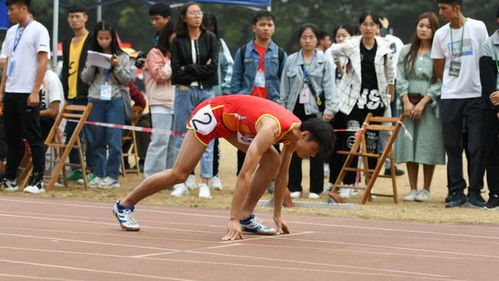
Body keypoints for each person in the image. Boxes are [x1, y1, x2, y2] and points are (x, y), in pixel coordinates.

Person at [113, 94, 335, 240]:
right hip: (212, 114)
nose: (312, 155)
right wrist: (232, 219)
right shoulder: (271, 128)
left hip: (234, 125)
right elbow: (245, 173)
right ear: (304, 136)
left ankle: (248, 216)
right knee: (179, 173)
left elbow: (283, 175)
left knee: (274, 161)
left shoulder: (294, 134)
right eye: (314, 150)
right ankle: (124, 205)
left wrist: (277, 215)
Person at [328, 12, 395, 199]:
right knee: (352, 140)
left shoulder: (384, 46)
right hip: (354, 99)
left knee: (372, 144)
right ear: (359, 26)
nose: (368, 28)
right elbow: (333, 51)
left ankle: (369, 184)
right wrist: (343, 69)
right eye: (365, 24)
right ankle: (348, 182)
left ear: (378, 28)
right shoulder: (352, 44)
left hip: (376, 99)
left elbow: (390, 72)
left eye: (372, 24)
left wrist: (390, 93)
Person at [431, 0, 488, 208]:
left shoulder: (478, 27)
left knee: (476, 145)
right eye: (439, 8)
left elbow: (485, 59)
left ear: (457, 8)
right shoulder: (440, 34)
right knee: (452, 146)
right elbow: (438, 68)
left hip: (475, 94)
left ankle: (475, 191)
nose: (440, 12)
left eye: (444, 8)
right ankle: (456, 191)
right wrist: (452, 84)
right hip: (450, 96)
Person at [279, 23, 337, 199]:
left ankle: (315, 188)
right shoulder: (290, 60)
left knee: (315, 147)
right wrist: (282, 110)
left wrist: (330, 109)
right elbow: (284, 88)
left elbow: (330, 87)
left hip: (316, 110)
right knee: (293, 146)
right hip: (294, 110)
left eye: (311, 37)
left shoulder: (324, 60)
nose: (307, 40)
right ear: (299, 40)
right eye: (304, 37)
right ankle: (294, 185)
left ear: (317, 40)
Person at [170, 2, 219, 199]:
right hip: (183, 92)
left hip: (206, 92)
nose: (197, 16)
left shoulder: (210, 38)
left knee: (207, 134)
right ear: (184, 17)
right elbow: (175, 72)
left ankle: (205, 182)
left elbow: (212, 69)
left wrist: (187, 68)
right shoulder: (177, 40)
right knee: (181, 135)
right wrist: (198, 68)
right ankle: (181, 180)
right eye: (192, 13)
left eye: (199, 12)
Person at [0, 0, 50, 194]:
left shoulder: (39, 30)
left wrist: (35, 90)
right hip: (11, 91)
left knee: (33, 136)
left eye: (12, 9)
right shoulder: (12, 32)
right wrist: (2, 91)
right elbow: (6, 64)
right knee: (11, 137)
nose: (9, 13)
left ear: (23, 8)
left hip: (28, 91)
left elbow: (43, 61)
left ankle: (38, 180)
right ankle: (10, 178)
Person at [394, 12, 444, 202]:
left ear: (434, 30)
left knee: (427, 144)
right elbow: (400, 76)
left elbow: (440, 80)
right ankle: (413, 187)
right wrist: (406, 100)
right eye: (420, 25)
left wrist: (424, 102)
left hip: (430, 105)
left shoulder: (438, 53)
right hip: (407, 102)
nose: (423, 29)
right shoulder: (406, 51)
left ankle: (426, 188)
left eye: (428, 26)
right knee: (409, 144)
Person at [230, 10, 287, 176]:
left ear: (274, 28)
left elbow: (283, 81)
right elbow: (236, 79)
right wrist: (237, 101)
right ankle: (243, 178)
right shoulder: (242, 52)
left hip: (271, 105)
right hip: (248, 104)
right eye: (262, 24)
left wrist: (281, 104)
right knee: (244, 142)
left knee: (272, 142)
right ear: (254, 27)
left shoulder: (280, 53)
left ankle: (270, 179)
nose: (266, 28)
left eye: (270, 25)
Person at [81, 21, 132, 189]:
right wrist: (93, 65)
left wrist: (116, 66)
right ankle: (100, 174)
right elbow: (85, 79)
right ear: (96, 38)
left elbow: (126, 80)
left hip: (115, 99)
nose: (104, 41)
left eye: (107, 38)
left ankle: (112, 176)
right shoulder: (91, 55)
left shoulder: (122, 56)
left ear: (113, 38)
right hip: (95, 99)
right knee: (97, 140)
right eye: (101, 38)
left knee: (114, 140)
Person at [61, 3, 94, 184]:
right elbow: (66, 68)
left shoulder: (91, 39)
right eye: (71, 17)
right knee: (70, 134)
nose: (74, 20)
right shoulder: (67, 42)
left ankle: (91, 169)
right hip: (71, 94)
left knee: (89, 135)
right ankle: (76, 169)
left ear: (85, 18)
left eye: (78, 16)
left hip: (86, 94)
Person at [202, 12, 234, 191]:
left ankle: (213, 174)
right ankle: (189, 175)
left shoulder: (220, 45)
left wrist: (225, 92)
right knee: (192, 136)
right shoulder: (193, 43)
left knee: (214, 137)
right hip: (196, 96)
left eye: (210, 26)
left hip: (215, 97)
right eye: (204, 27)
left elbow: (228, 66)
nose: (207, 30)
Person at [143, 21, 176, 178]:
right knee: (159, 141)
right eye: (176, 34)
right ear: (168, 35)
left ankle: (169, 178)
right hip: (160, 103)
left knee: (174, 143)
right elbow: (160, 75)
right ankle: (151, 177)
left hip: (177, 103)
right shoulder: (155, 53)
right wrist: (173, 60)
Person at [478, 6, 499, 209]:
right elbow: (488, 83)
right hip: (492, 108)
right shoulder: (488, 45)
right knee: (492, 152)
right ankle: (495, 194)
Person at [39, 66, 64, 140]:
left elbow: (54, 112)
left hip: (51, 122)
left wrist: (34, 114)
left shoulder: (51, 79)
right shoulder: (32, 78)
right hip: (41, 120)